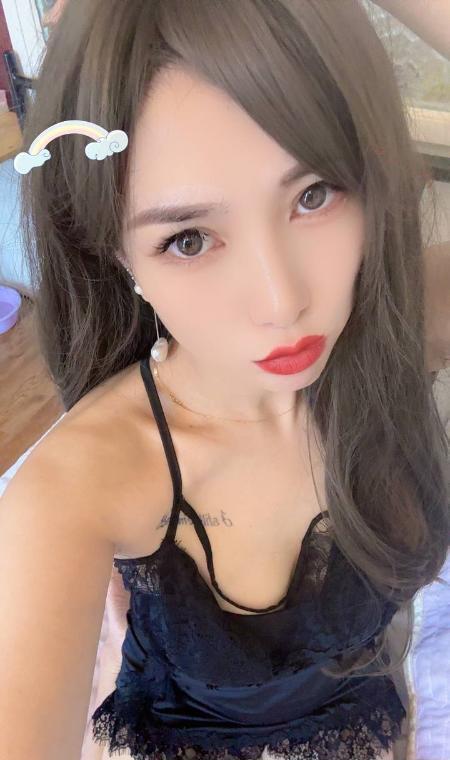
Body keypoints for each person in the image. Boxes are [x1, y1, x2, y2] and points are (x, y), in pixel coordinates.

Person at [0, 2, 449, 760]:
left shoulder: (401, 322)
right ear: (115, 253)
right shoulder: (77, 487)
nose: (283, 302)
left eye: (314, 195)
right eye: (189, 239)